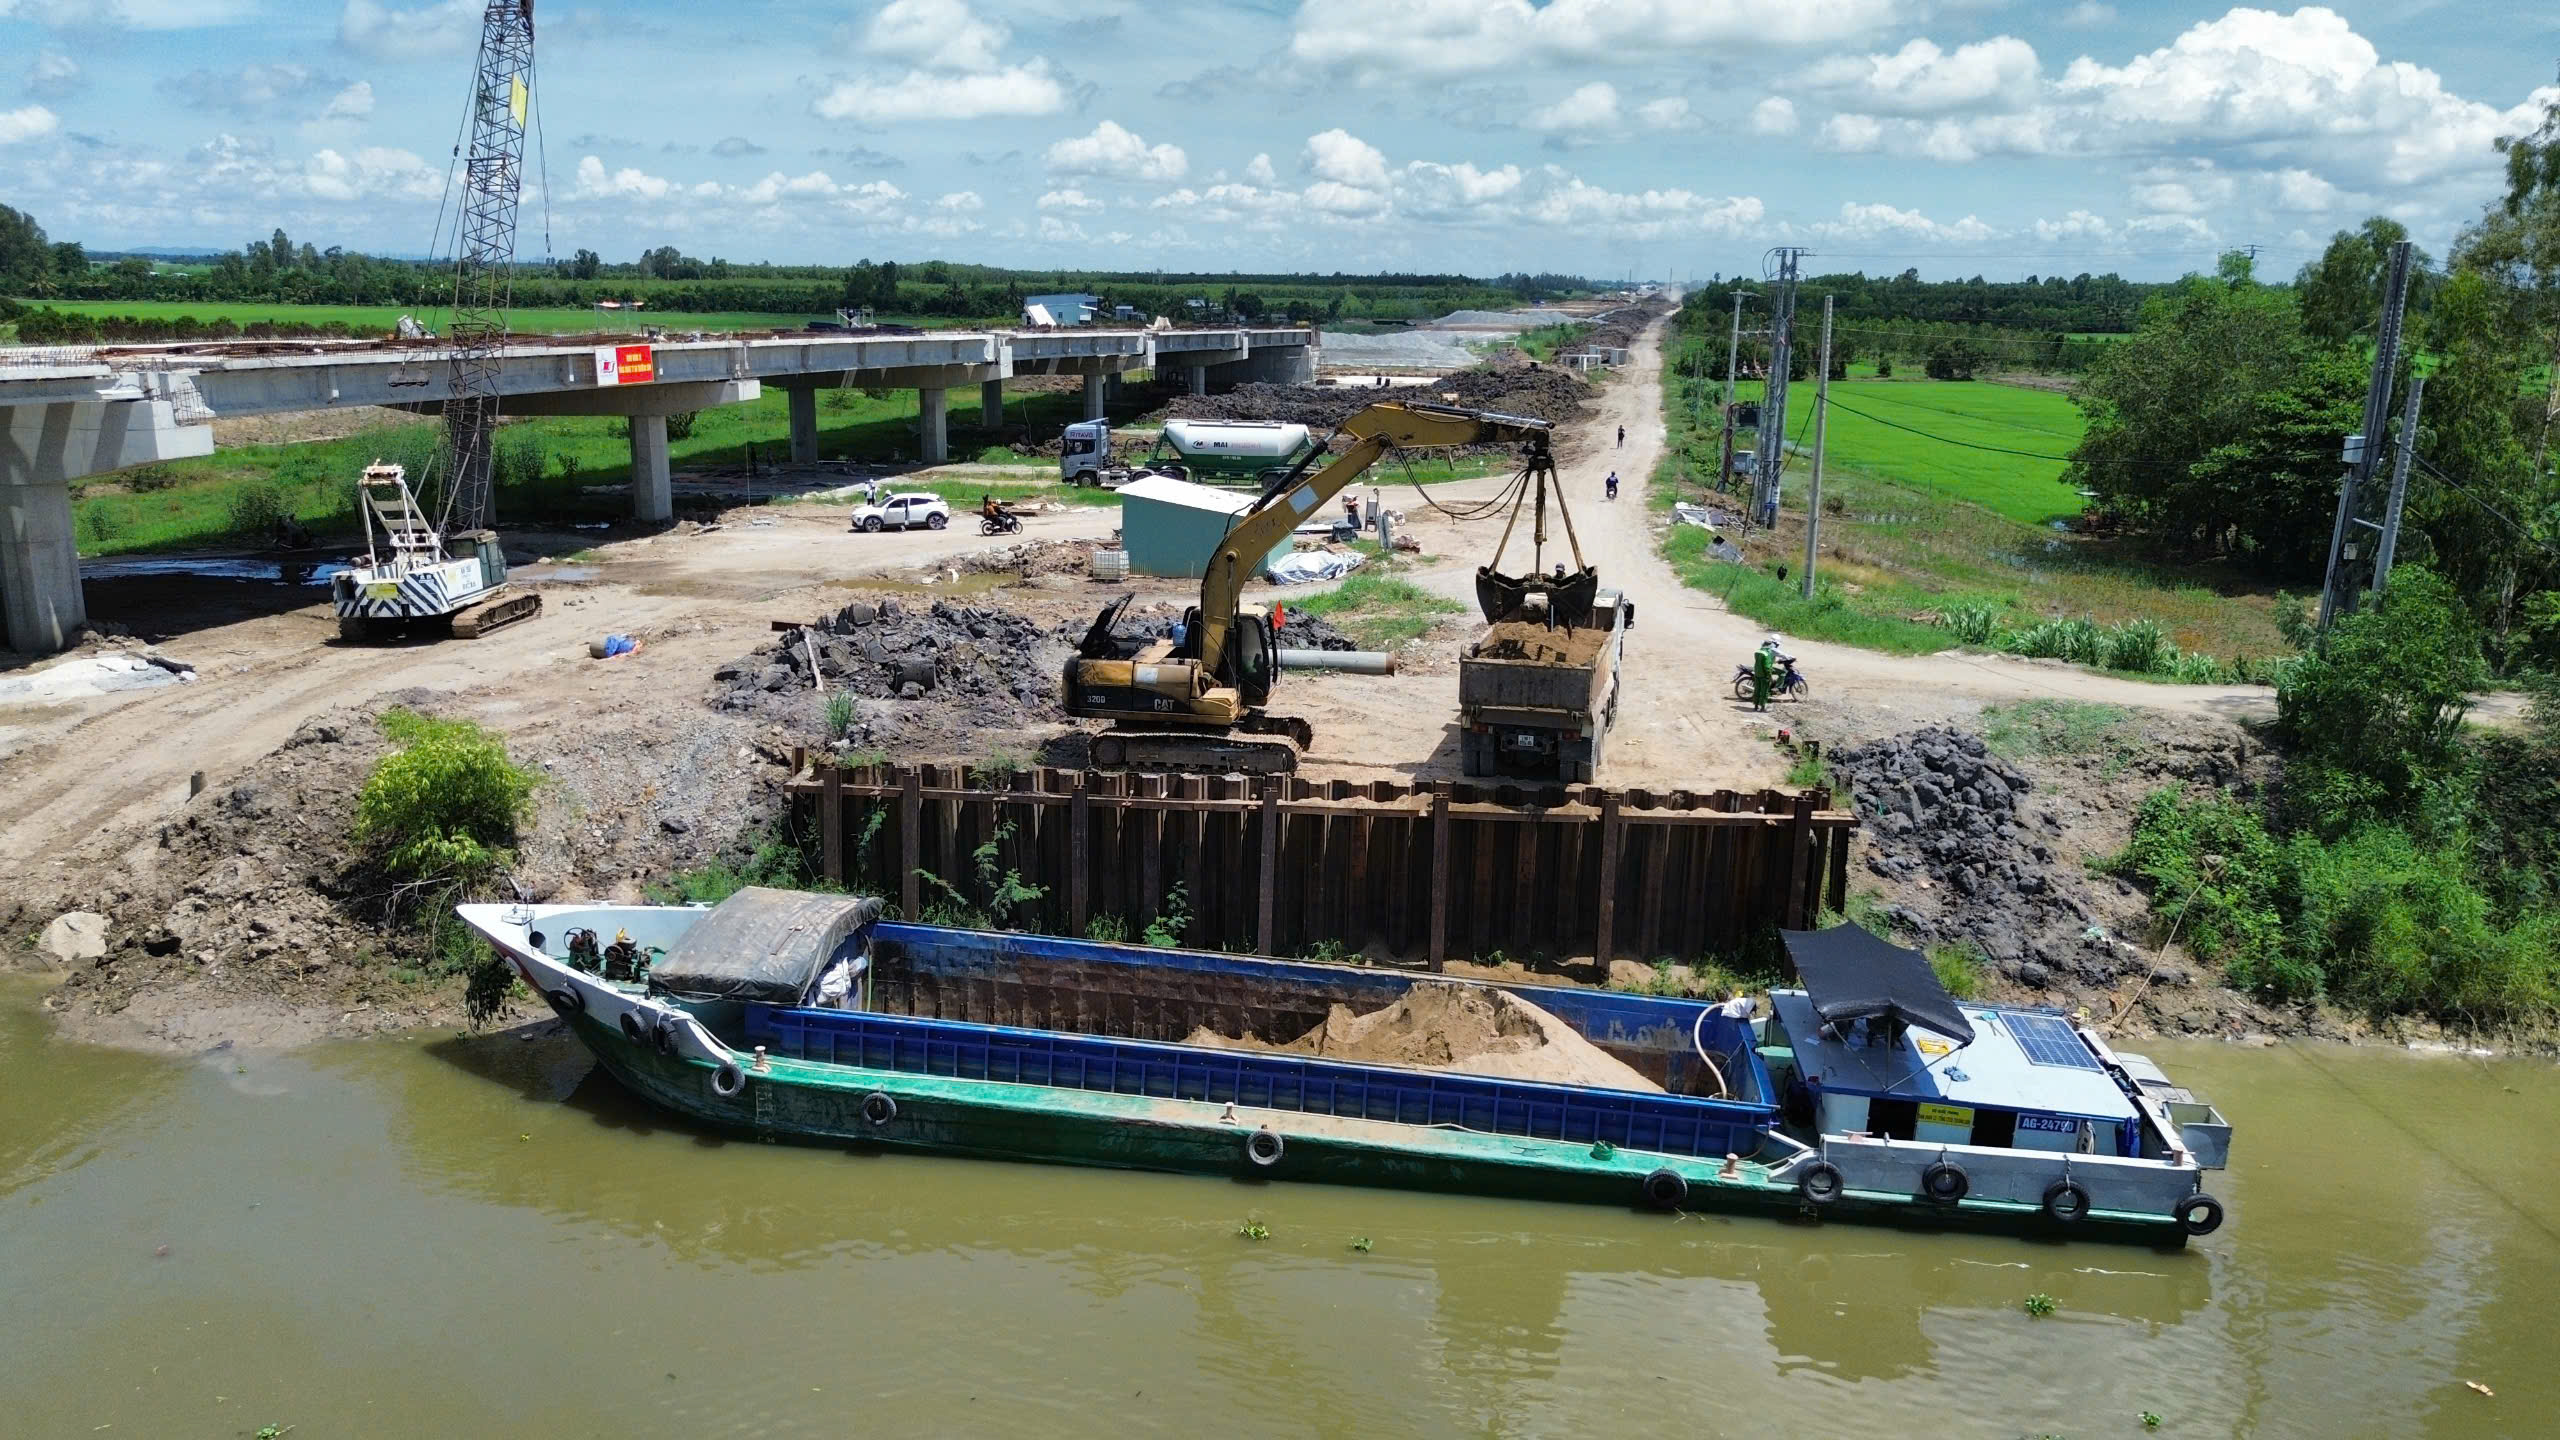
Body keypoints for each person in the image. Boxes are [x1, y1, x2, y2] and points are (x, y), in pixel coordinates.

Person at [1750, 638, 1773, 712]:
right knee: (1764, 691)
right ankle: (1762, 707)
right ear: (1769, 646)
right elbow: (1767, 667)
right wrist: (1769, 676)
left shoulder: (1757, 652)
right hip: (1764, 675)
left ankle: (1755, 706)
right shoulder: (1767, 654)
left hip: (1757, 673)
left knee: (1757, 690)